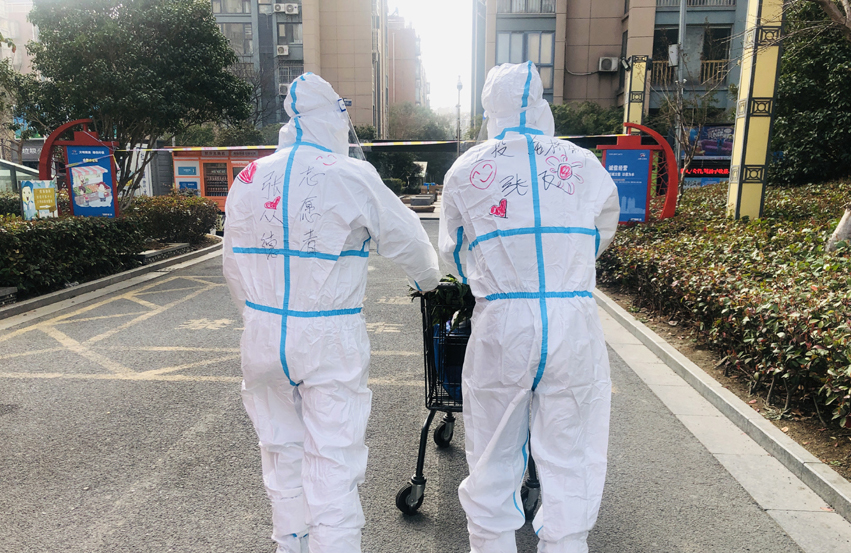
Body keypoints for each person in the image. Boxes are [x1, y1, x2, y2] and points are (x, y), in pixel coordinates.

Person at [223, 73, 440, 553]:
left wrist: (258, 318)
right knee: (333, 460)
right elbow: (409, 241)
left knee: (280, 453)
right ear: (334, 119)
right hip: (327, 335)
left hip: (262, 332)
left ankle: (291, 544)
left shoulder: (249, 177)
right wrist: (431, 282)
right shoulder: (349, 174)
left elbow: (232, 265)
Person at [438, 62, 620, 553]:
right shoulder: (584, 164)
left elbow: (454, 250)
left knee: (492, 457)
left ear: (488, 108)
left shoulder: (466, 170)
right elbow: (600, 233)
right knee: (571, 458)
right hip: (571, 320)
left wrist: (496, 275)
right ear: (541, 102)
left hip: (502, 323)